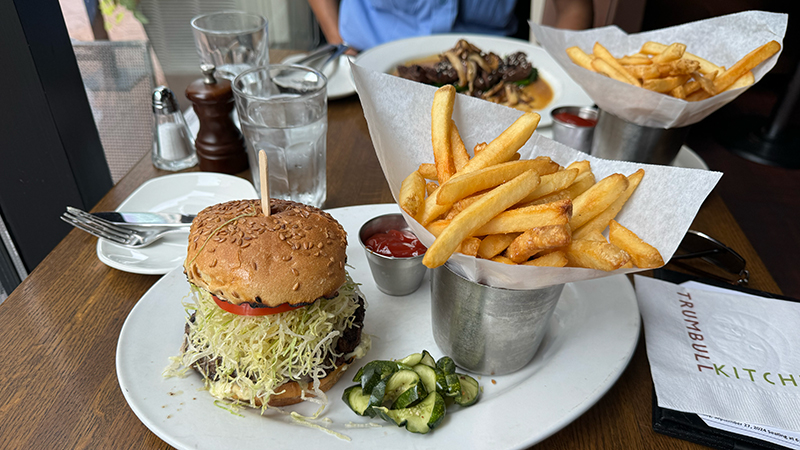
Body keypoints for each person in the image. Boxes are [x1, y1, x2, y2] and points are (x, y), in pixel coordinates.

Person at [308, 0, 592, 52]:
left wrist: (549, 67)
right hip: (363, 66)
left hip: (494, 87)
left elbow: (575, 7)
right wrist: (337, 40)